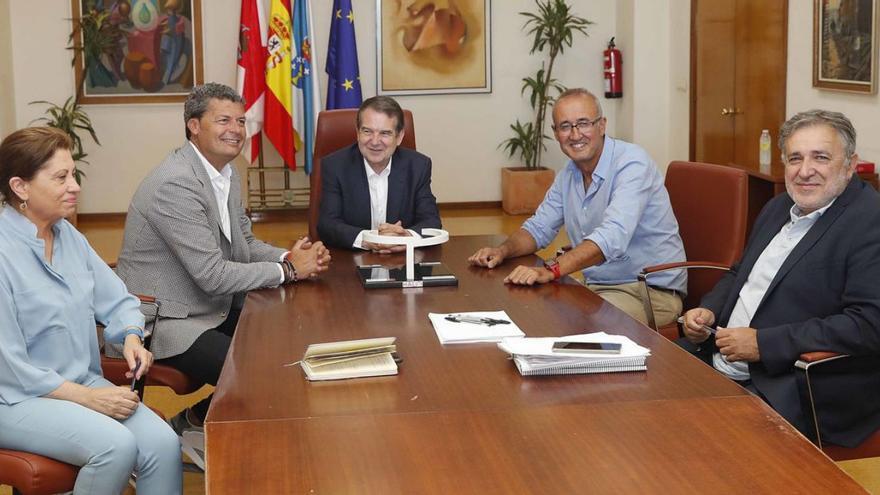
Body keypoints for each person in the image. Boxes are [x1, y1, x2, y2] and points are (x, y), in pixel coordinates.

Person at [115, 83, 330, 467]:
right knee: (260, 366)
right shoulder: (175, 183)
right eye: (224, 120)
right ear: (193, 126)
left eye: (241, 121)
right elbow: (213, 274)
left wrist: (289, 256)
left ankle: (190, 425)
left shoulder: (224, 174)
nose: (236, 129)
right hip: (165, 319)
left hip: (206, 305)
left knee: (282, 339)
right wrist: (288, 271)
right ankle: (192, 434)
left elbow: (243, 244)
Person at [681, 109, 880, 448]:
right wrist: (710, 310)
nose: (805, 171)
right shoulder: (778, 206)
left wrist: (763, 344)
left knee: (699, 447)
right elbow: (739, 274)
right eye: (795, 158)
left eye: (820, 158)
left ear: (849, 164)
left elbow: (869, 324)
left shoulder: (869, 221)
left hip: (793, 384)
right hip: (716, 359)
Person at [0, 127, 181, 494]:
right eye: (61, 177)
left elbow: (119, 301)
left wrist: (131, 336)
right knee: (115, 446)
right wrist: (87, 398)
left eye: (74, 174)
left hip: (81, 383)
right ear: (20, 187)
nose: (75, 185)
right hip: (16, 398)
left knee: (163, 445)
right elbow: (11, 368)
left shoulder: (69, 237)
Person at [468, 88, 686, 326]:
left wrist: (551, 269)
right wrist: (502, 251)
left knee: (581, 326)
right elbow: (539, 228)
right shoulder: (569, 173)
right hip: (598, 288)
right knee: (529, 308)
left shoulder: (632, 163)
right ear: (555, 133)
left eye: (583, 123)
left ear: (602, 125)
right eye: (565, 126)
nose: (575, 134)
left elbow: (611, 237)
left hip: (648, 291)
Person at [318, 95, 441, 253]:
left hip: (403, 262)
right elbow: (327, 224)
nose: (375, 141)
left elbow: (431, 222)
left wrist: (406, 237)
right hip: (351, 260)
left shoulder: (418, 166)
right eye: (367, 131)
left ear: (399, 137)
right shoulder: (335, 166)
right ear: (357, 132)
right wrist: (369, 239)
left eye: (385, 133)